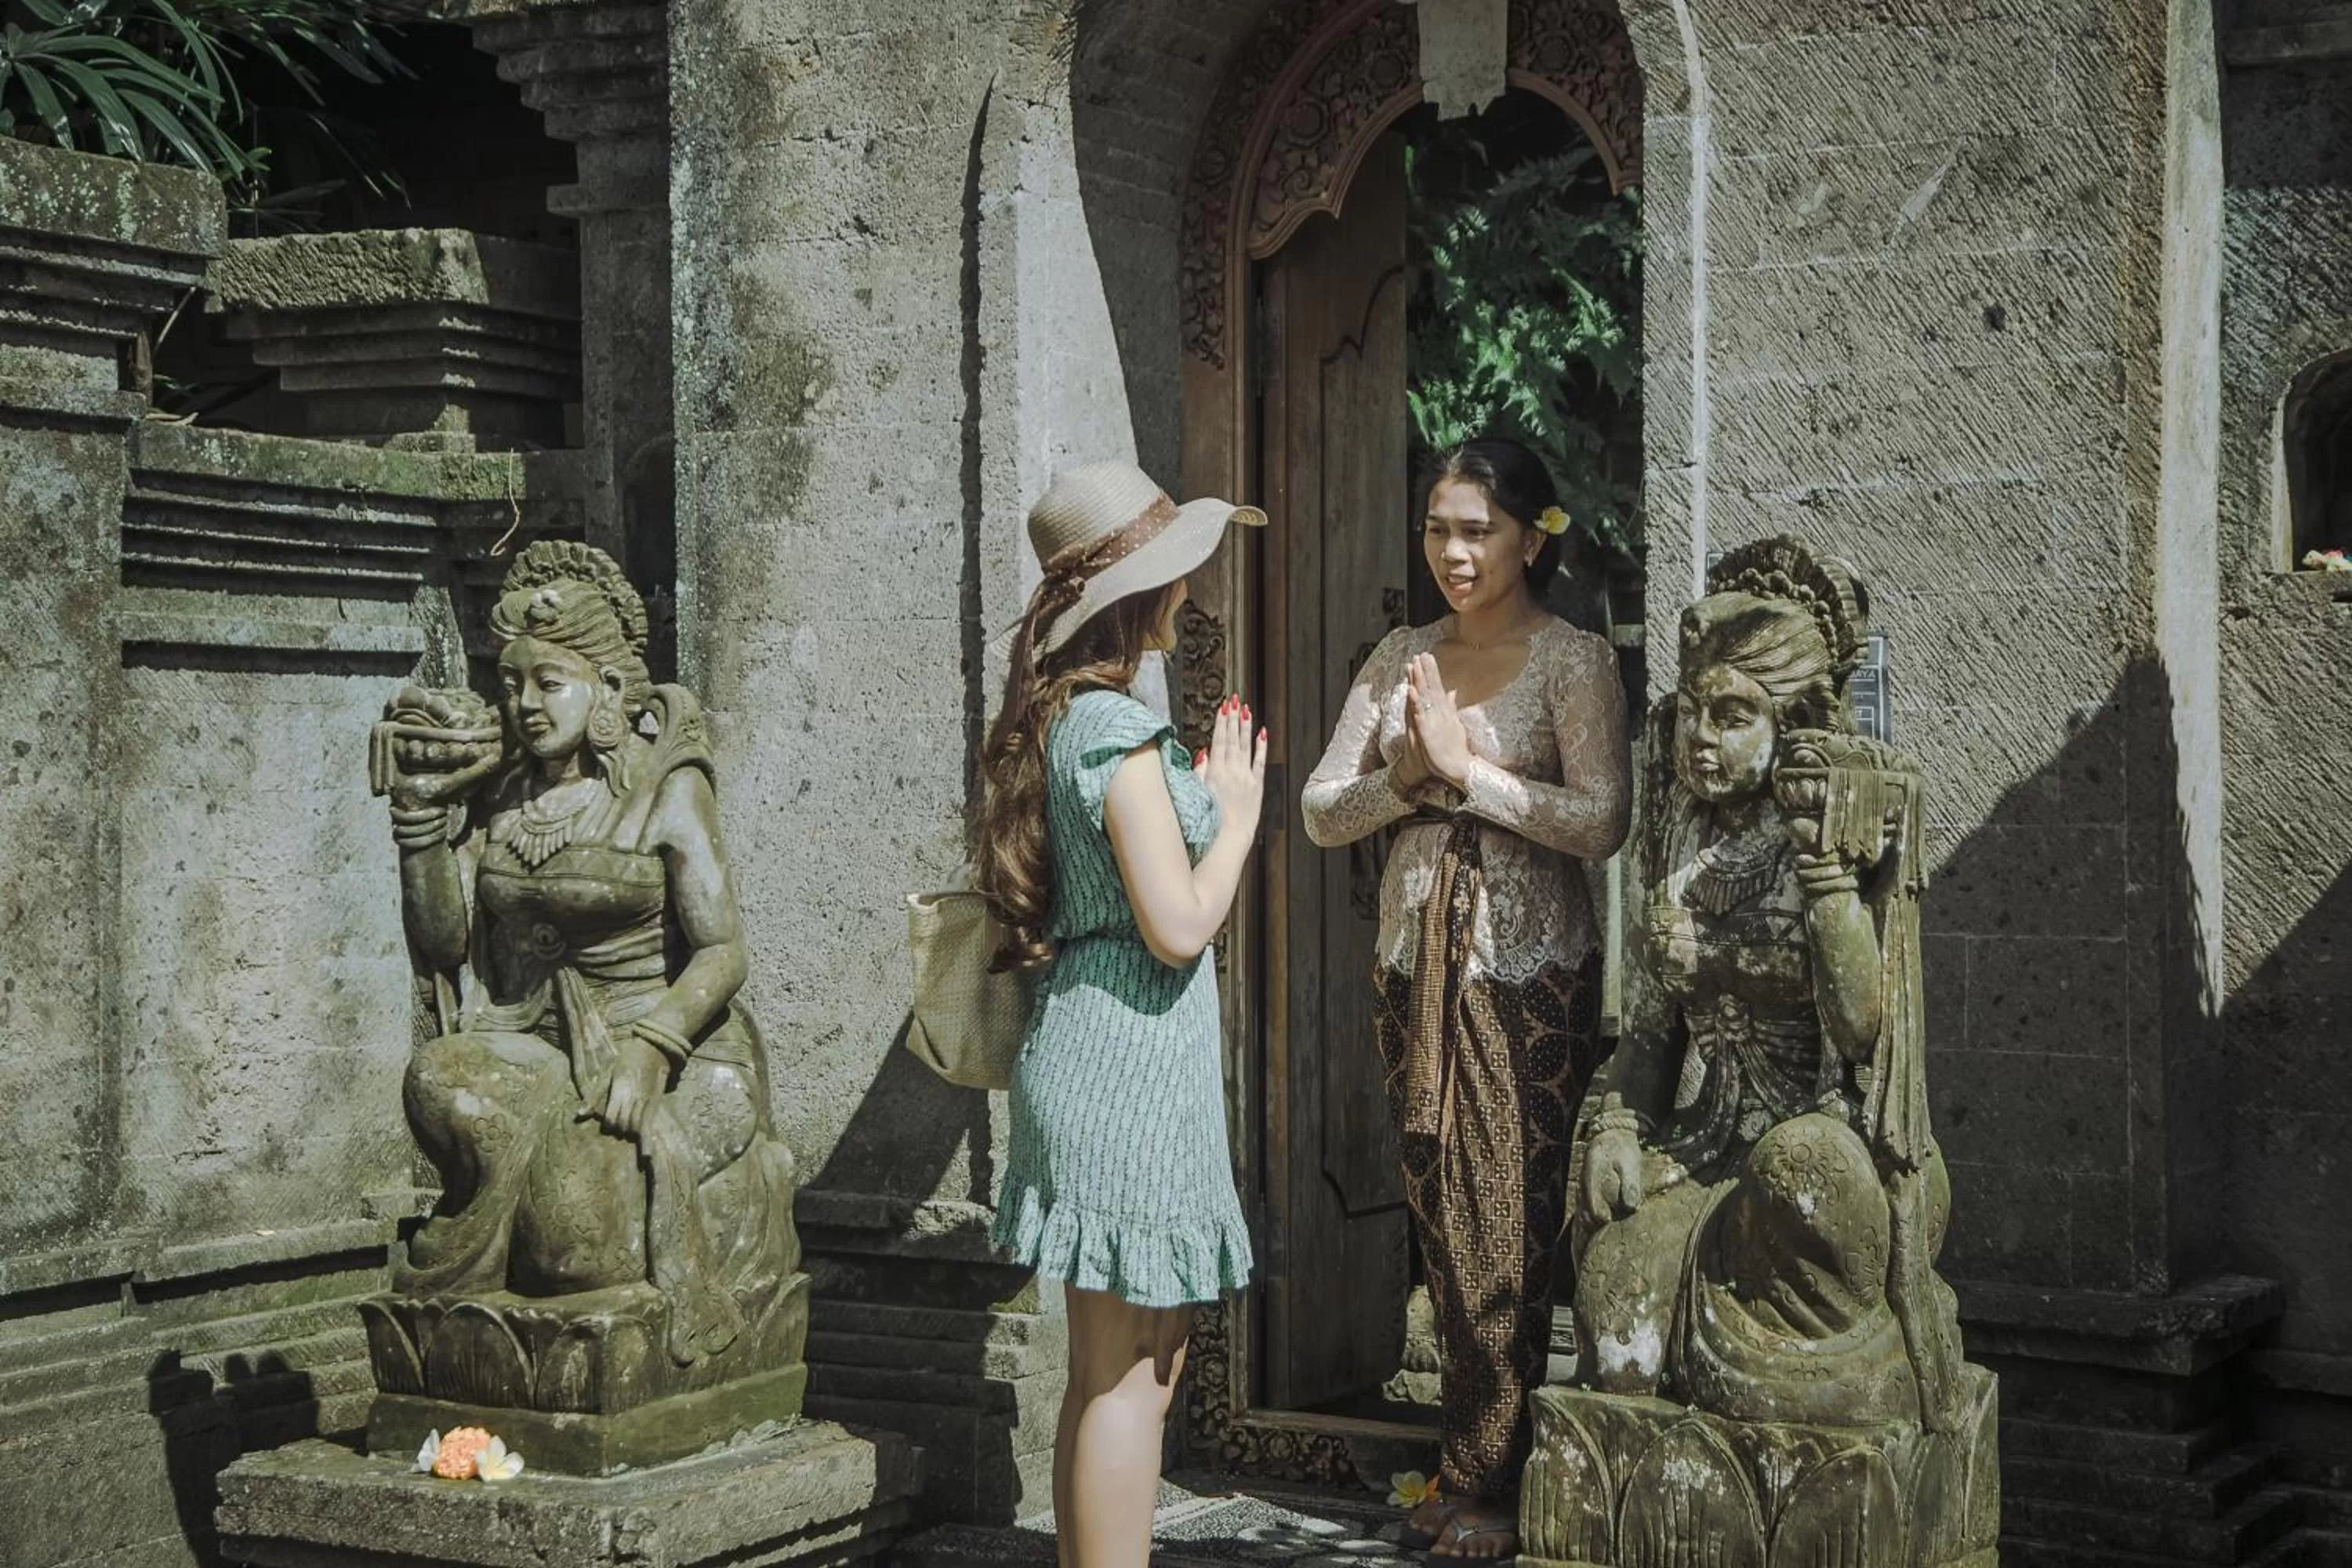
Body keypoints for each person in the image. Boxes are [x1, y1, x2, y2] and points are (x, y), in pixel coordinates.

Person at [1301, 438, 1632, 1560]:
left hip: (1527, 975)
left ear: (1535, 536)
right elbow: (1318, 810)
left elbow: (1603, 821)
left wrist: (1467, 772)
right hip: (1412, 970)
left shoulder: (1572, 660)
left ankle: (1501, 1484)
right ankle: (1467, 1460)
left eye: (1478, 529)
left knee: (1511, 1229)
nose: (1454, 550)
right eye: (1439, 527)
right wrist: (1406, 777)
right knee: (1443, 1222)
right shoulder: (1401, 653)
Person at [975, 461, 1267, 1568]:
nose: (1191, 590)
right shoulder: (1111, 729)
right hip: (1126, 1064)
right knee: (1132, 1373)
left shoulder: (1072, 715)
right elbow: (1180, 924)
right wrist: (1234, 813)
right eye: (1180, 572)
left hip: (1106, 1051)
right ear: (1143, 594)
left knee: (1122, 1369)